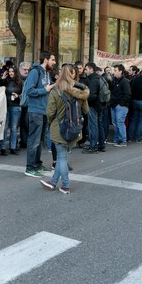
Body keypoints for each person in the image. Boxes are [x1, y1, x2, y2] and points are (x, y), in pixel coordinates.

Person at [41, 64, 89, 194]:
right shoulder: (80, 91)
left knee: (61, 158)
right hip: (75, 128)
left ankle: (66, 186)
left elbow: (50, 112)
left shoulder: (56, 91)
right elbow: (86, 110)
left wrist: (51, 123)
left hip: (59, 129)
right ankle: (53, 182)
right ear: (73, 75)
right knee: (63, 157)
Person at [24, 51, 56, 177]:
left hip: (44, 111)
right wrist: (45, 90)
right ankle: (30, 167)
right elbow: (29, 91)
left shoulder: (46, 73)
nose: (54, 62)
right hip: (35, 111)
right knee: (34, 140)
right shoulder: (35, 72)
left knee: (40, 140)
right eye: (52, 59)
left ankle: (37, 164)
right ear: (46, 60)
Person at [82, 62, 107, 154]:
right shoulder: (99, 78)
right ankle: (101, 145)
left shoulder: (93, 80)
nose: (85, 71)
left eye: (86, 69)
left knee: (93, 126)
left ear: (91, 69)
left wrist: (85, 99)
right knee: (99, 125)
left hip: (93, 106)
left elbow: (92, 95)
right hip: (100, 105)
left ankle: (93, 146)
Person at [0, 66, 22, 155]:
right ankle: (3, 147)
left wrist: (19, 96)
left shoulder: (19, 82)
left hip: (15, 106)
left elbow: (23, 93)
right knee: (5, 128)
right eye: (9, 71)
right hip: (5, 105)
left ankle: (13, 147)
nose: (11, 73)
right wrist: (2, 78)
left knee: (13, 128)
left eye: (12, 71)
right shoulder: (5, 81)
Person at [109, 64, 130, 147]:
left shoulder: (124, 81)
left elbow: (127, 94)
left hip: (120, 106)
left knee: (120, 123)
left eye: (115, 70)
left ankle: (123, 140)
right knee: (116, 123)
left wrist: (121, 103)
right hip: (114, 105)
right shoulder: (114, 80)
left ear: (120, 71)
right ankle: (117, 139)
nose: (114, 72)